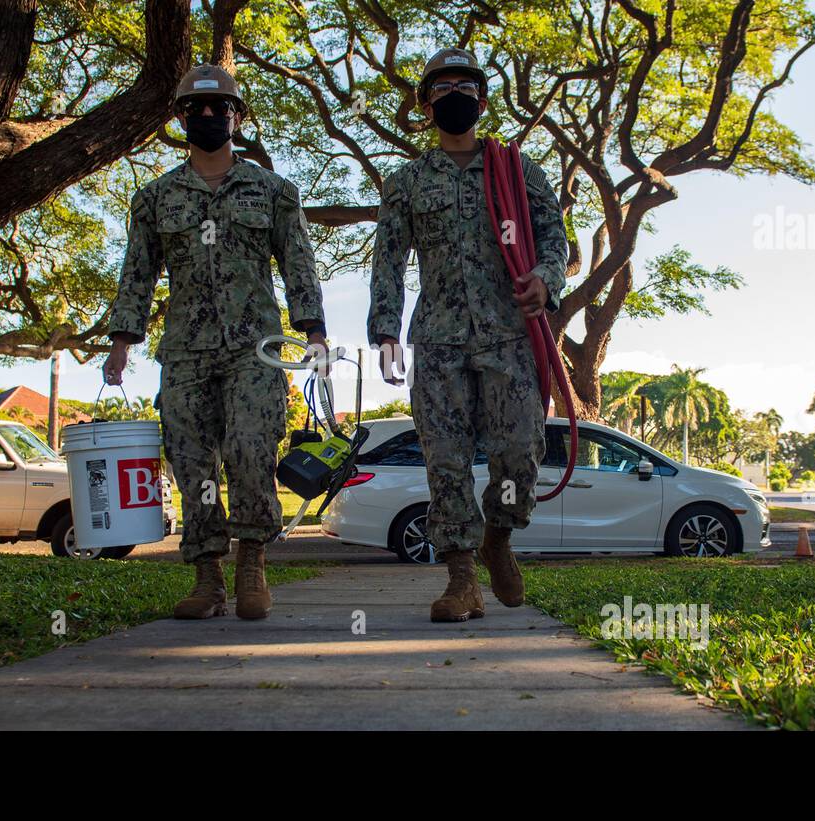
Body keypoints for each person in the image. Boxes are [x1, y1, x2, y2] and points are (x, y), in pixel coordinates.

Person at [104, 64, 327, 620]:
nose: (207, 117)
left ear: (237, 117)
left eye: (219, 109)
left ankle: (252, 563)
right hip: (185, 350)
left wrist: (315, 334)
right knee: (192, 462)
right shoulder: (155, 197)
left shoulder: (273, 191)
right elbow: (137, 272)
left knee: (251, 450)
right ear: (181, 118)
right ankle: (207, 577)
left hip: (256, 347)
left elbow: (299, 263)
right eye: (196, 110)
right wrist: (121, 342)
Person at [367, 48, 569, 622]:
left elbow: (556, 243)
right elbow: (388, 260)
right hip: (438, 341)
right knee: (445, 460)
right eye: (441, 87)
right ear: (425, 105)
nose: (453, 95)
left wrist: (544, 280)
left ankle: (498, 537)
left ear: (481, 101)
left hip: (509, 335)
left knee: (519, 453)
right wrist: (385, 332)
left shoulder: (518, 170)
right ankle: (461, 579)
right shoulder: (406, 181)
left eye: (465, 86)